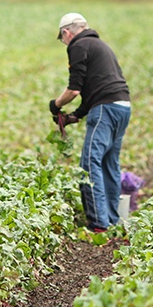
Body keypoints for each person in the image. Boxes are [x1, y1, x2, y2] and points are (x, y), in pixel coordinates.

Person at [48, 12, 131, 232]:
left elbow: (74, 89)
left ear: (67, 32)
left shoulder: (78, 45)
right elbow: (93, 88)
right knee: (109, 163)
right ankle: (114, 219)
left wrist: (55, 105)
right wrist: (75, 116)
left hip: (105, 109)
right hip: (122, 106)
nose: (64, 41)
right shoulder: (99, 45)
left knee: (89, 164)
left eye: (62, 37)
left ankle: (98, 223)